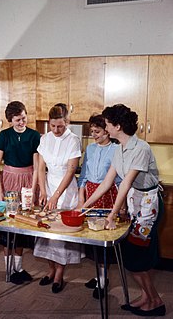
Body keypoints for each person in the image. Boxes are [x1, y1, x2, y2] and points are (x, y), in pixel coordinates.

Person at [81, 104, 166, 316]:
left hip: (148, 207)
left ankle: (155, 302)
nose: (106, 128)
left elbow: (126, 183)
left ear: (117, 126)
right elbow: (107, 183)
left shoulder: (141, 149)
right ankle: (147, 296)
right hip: (135, 202)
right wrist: (83, 205)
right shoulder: (119, 148)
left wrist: (112, 214)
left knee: (136, 256)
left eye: (108, 124)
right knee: (135, 256)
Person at [33, 103, 82, 294]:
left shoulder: (73, 140)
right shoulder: (45, 138)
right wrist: (43, 190)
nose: (56, 130)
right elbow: (41, 166)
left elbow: (70, 171)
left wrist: (55, 196)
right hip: (49, 186)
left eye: (60, 126)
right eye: (52, 126)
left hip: (65, 190)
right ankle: (50, 269)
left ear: (67, 122)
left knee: (60, 236)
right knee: (47, 233)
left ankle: (59, 274)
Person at [0, 101, 40, 285]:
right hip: (9, 179)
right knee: (7, 225)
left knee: (22, 225)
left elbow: (36, 167)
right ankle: (8, 268)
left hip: (27, 180)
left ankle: (18, 268)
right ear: (10, 120)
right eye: (18, 120)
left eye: (24, 118)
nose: (22, 122)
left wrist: (33, 190)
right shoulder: (4, 135)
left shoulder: (34, 135)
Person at [77, 114, 121, 299]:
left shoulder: (116, 150)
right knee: (91, 237)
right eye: (92, 131)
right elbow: (83, 175)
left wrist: (121, 206)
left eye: (97, 132)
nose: (93, 135)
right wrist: (81, 199)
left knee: (103, 238)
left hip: (107, 195)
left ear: (107, 132)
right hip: (90, 194)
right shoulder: (91, 149)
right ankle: (99, 275)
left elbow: (119, 180)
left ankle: (103, 281)